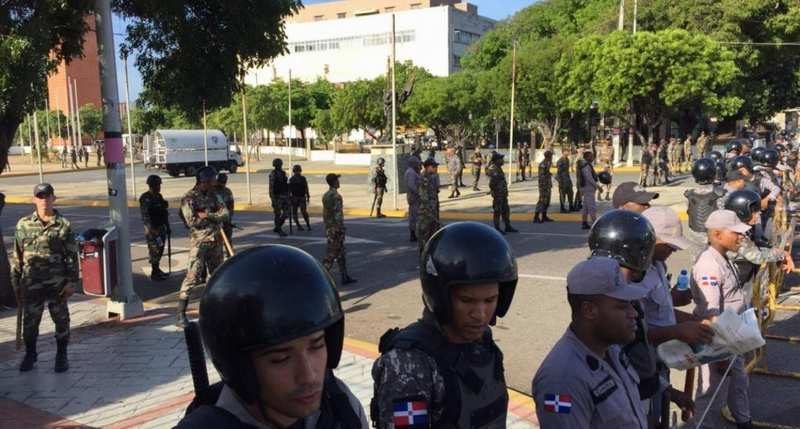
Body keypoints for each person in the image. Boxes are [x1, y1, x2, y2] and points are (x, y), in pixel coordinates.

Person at [175, 245, 369, 429]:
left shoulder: (340, 408)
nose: (308, 376)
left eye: (317, 346)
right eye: (280, 359)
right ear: (239, 368)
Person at [371, 222, 518, 429]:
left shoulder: (481, 340)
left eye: (490, 300)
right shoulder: (409, 366)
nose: (480, 315)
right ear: (441, 298)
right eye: (467, 301)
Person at [532, 257, 648, 428]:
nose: (634, 313)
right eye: (622, 306)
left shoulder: (611, 348)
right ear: (589, 310)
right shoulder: (562, 381)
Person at [639, 207, 713, 427]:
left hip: (662, 358)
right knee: (646, 416)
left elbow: (663, 311)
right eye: (669, 245)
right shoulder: (635, 277)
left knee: (659, 408)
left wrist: (694, 323)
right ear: (652, 240)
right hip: (643, 362)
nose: (673, 250)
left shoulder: (658, 265)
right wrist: (678, 331)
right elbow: (634, 334)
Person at [687, 210, 754, 429]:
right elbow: (710, 311)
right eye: (735, 233)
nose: (740, 237)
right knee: (710, 394)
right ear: (717, 234)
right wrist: (719, 349)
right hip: (717, 338)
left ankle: (744, 422)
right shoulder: (709, 265)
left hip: (730, 335)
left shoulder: (722, 257)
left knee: (738, 384)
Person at [12, 183, 78, 373]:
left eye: (47, 196)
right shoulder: (23, 224)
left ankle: (61, 355)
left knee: (61, 320)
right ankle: (31, 354)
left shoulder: (63, 224)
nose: (44, 200)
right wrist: (16, 283)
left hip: (57, 284)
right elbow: (18, 255)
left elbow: (72, 256)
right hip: (31, 284)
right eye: (40, 197)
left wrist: (72, 282)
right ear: (34, 199)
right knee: (30, 322)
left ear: (53, 199)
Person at [178, 167, 229, 327]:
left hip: (215, 241)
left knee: (216, 277)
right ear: (204, 181)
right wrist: (214, 216)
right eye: (212, 180)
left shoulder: (215, 195)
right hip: (199, 243)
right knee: (192, 277)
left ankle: (213, 311)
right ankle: (181, 314)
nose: (215, 182)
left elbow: (225, 214)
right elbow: (192, 221)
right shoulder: (189, 198)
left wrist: (207, 215)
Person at [684, 158, 726, 249]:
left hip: (696, 236)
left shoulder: (689, 195)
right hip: (715, 235)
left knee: (698, 261)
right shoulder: (721, 194)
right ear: (713, 174)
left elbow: (689, 212)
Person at [322, 173, 356, 285]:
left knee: (341, 253)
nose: (339, 182)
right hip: (336, 229)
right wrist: (340, 228)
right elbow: (338, 214)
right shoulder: (336, 196)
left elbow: (326, 213)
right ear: (334, 182)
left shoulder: (326, 195)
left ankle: (344, 276)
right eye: (337, 180)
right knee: (331, 254)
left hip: (329, 226)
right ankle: (321, 276)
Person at [139, 175, 170, 281]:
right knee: (154, 251)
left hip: (161, 227)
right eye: (157, 185)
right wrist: (152, 230)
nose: (159, 187)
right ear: (151, 185)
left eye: (159, 185)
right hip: (152, 230)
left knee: (160, 250)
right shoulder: (146, 198)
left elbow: (164, 213)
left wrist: (167, 226)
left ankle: (157, 270)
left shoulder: (159, 196)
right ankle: (154, 273)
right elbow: (145, 216)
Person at [487, 152, 518, 234]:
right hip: (498, 195)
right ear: (496, 160)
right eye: (501, 159)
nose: (502, 160)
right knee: (497, 211)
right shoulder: (493, 169)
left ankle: (507, 226)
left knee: (506, 210)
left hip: (503, 194)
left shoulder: (498, 168)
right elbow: (492, 183)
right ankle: (497, 228)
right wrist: (495, 192)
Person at [416, 158, 442, 253]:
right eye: (434, 166)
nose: (436, 168)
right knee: (425, 237)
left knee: (433, 235)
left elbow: (435, 193)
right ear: (428, 167)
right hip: (426, 214)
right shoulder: (424, 179)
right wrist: (431, 213)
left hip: (432, 211)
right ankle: (424, 258)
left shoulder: (431, 177)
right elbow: (424, 199)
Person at [268, 158, 290, 237]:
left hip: (284, 195)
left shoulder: (283, 173)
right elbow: (271, 187)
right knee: (277, 214)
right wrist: (273, 199)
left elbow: (285, 185)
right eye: (277, 164)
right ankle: (279, 229)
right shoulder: (273, 174)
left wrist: (288, 194)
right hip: (277, 197)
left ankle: (278, 226)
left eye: (279, 164)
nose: (279, 165)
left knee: (286, 213)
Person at [578, 151, 598, 229]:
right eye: (591, 156)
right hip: (588, 188)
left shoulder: (587, 165)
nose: (593, 158)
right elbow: (589, 178)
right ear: (587, 157)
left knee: (586, 207)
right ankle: (596, 224)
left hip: (587, 188)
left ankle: (584, 223)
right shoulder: (585, 166)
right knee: (591, 207)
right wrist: (597, 186)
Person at [534, 150, 554, 223]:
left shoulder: (548, 163)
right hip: (543, 185)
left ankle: (544, 216)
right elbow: (541, 176)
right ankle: (536, 217)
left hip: (547, 185)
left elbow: (546, 172)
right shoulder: (543, 164)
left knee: (547, 201)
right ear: (548, 156)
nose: (552, 157)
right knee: (542, 201)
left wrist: (549, 173)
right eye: (551, 156)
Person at [289, 165, 312, 230]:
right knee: (297, 212)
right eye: (297, 171)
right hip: (296, 198)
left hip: (300, 197)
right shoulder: (296, 179)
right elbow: (289, 189)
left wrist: (308, 196)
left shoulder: (295, 179)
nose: (297, 172)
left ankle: (307, 225)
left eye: (298, 171)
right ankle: (300, 225)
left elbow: (306, 188)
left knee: (302, 212)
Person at [405, 156, 422, 242]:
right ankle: (413, 233)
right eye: (416, 163)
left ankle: (414, 233)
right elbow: (412, 186)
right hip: (414, 197)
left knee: (415, 215)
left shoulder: (413, 172)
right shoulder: (411, 173)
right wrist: (419, 193)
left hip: (415, 197)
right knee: (414, 216)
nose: (418, 165)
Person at [216, 173, 235, 243]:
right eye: (221, 182)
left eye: (224, 182)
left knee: (228, 240)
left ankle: (230, 253)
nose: (222, 184)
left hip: (226, 220)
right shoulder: (212, 191)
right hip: (216, 221)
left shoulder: (227, 191)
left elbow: (231, 205)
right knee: (217, 242)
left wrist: (228, 217)